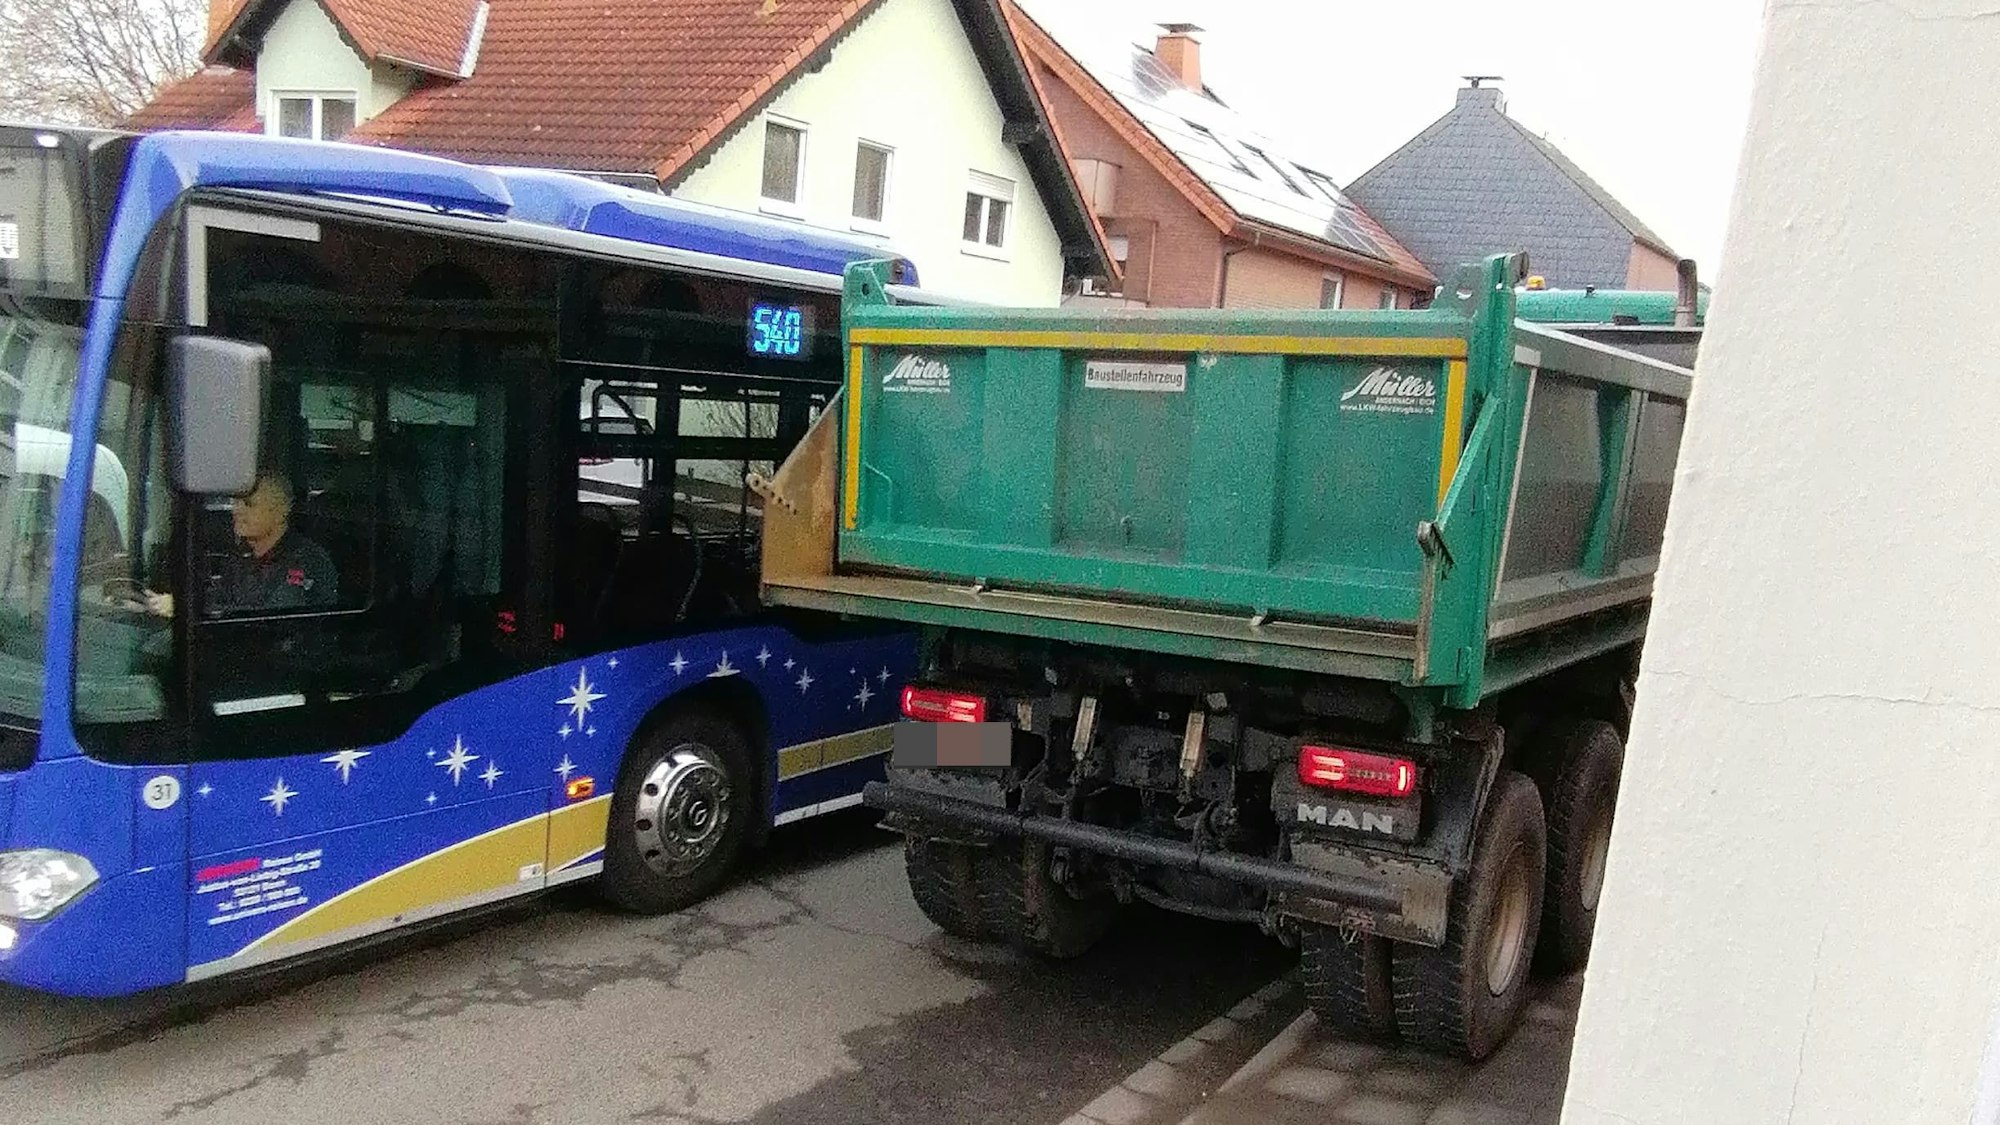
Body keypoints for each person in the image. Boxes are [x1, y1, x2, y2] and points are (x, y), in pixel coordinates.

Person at [146, 472, 338, 616]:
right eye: (234, 502)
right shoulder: (242, 555)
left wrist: (187, 608)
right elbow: (219, 597)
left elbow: (269, 617)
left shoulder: (307, 562)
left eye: (248, 504)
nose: (236, 510)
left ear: (281, 512)